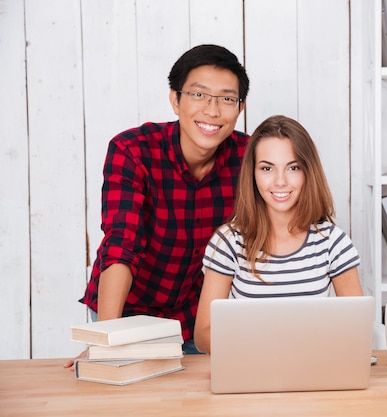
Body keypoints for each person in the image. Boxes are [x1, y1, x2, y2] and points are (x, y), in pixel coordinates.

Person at [64, 44, 250, 367]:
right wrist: (109, 337)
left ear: (240, 107)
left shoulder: (250, 158)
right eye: (199, 95)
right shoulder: (133, 150)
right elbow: (121, 244)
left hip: (197, 320)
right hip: (126, 313)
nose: (212, 110)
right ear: (175, 100)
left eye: (226, 99)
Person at [193, 115, 364, 353]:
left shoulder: (332, 242)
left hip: (312, 373)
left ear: (308, 172)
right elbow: (203, 335)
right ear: (253, 174)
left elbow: (356, 326)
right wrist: (267, 349)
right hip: (251, 372)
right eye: (267, 168)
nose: (281, 181)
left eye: (293, 168)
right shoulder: (228, 242)